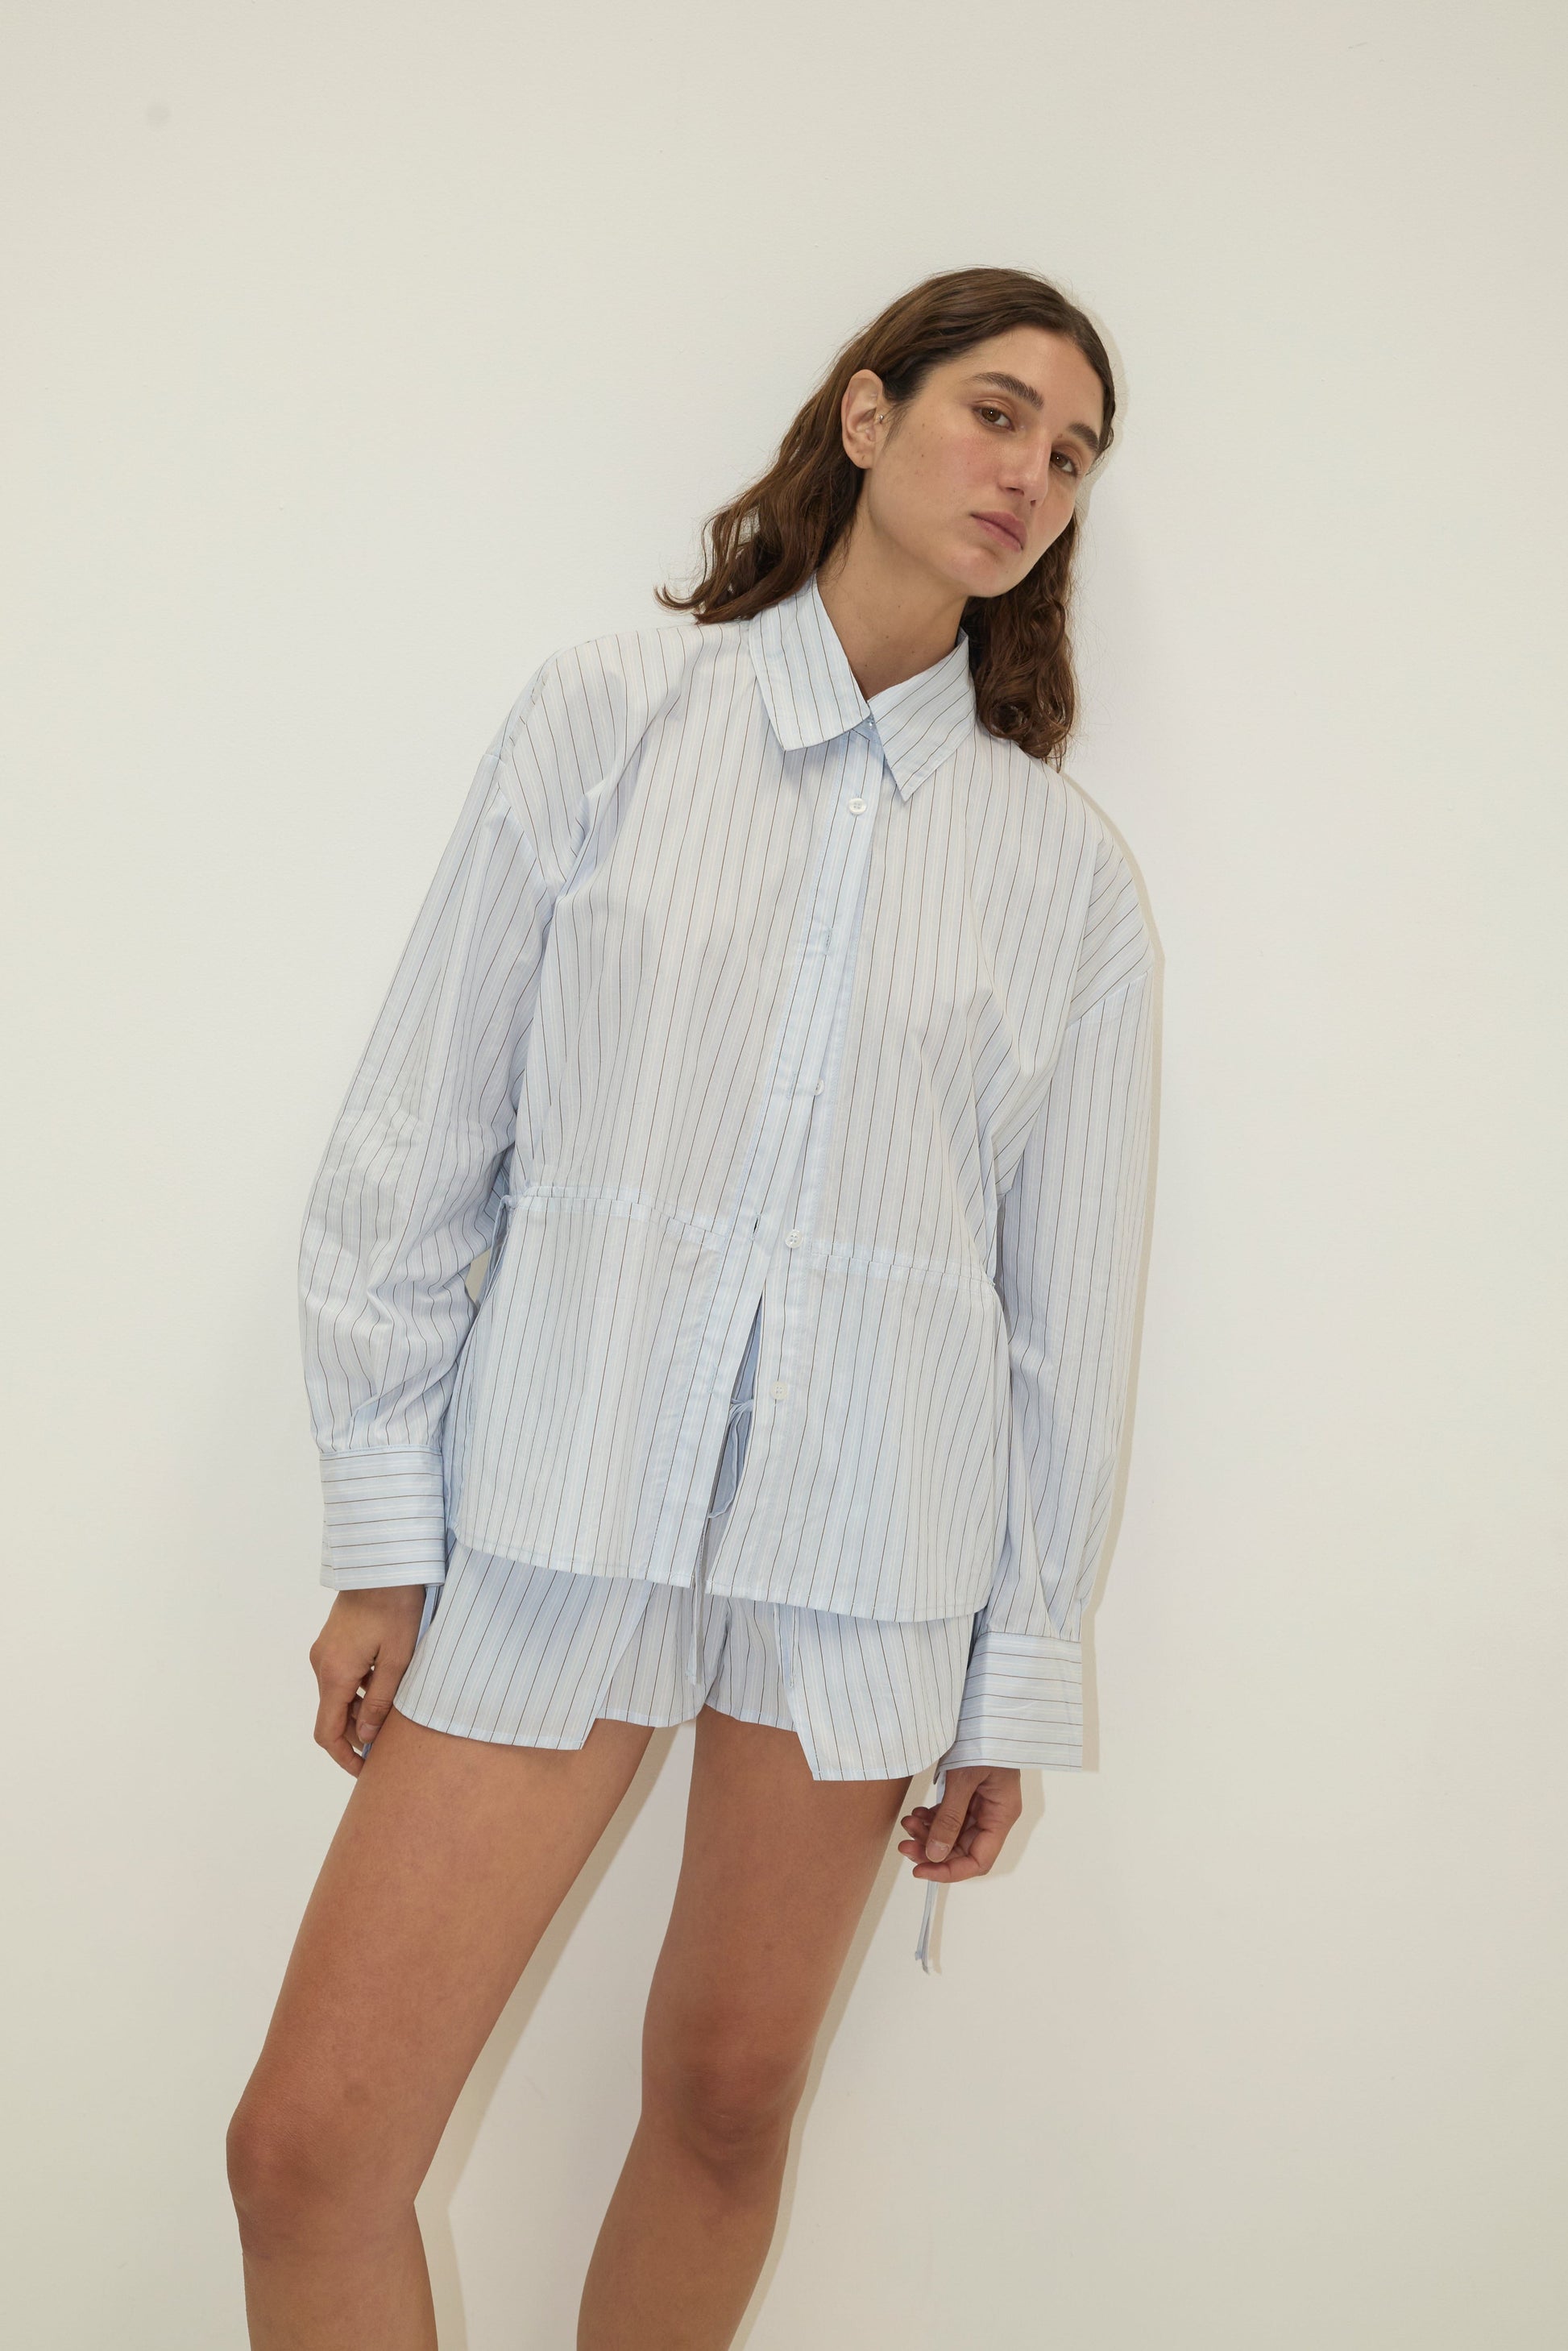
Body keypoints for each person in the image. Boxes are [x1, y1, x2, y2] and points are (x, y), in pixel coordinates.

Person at [226, 262, 1156, 2350]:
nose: (1031, 474)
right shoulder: (610, 717)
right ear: (861, 414)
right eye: (996, 412)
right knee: (307, 2151)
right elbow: (415, 1137)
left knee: (728, 2101)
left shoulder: (1059, 875)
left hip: (864, 1573)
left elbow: (1056, 1321)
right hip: (553, 1518)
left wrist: (1012, 1671)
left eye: (1073, 453)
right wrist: (384, 1535)